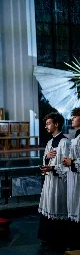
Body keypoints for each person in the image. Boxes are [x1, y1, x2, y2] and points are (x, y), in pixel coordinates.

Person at [38, 112, 70, 251]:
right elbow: (45, 160)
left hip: (60, 182)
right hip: (49, 181)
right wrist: (46, 158)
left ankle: (58, 239)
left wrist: (53, 168)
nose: (46, 126)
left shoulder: (65, 142)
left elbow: (68, 164)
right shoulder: (50, 142)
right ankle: (48, 237)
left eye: (48, 123)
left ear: (56, 124)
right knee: (49, 206)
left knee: (57, 206)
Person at [62, 108, 80, 250]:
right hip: (74, 176)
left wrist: (72, 162)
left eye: (75, 116)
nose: (72, 118)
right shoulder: (76, 136)